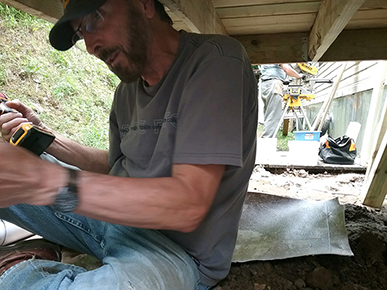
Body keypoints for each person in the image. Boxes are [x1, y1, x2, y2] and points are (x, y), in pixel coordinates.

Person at [0, 0, 258, 289]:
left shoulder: (216, 63)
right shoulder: (127, 92)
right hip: (115, 220)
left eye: (94, 19)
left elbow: (188, 205)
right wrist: (47, 138)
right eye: (81, 33)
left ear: (144, 4)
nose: (90, 47)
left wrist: (43, 181)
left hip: (177, 255)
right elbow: (115, 166)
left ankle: (17, 270)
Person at [259, 64, 302, 138]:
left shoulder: (266, 54)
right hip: (274, 83)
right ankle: (268, 143)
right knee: (273, 116)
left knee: (269, 115)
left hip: (266, 83)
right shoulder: (277, 53)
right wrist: (299, 76)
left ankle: (268, 142)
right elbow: (287, 69)